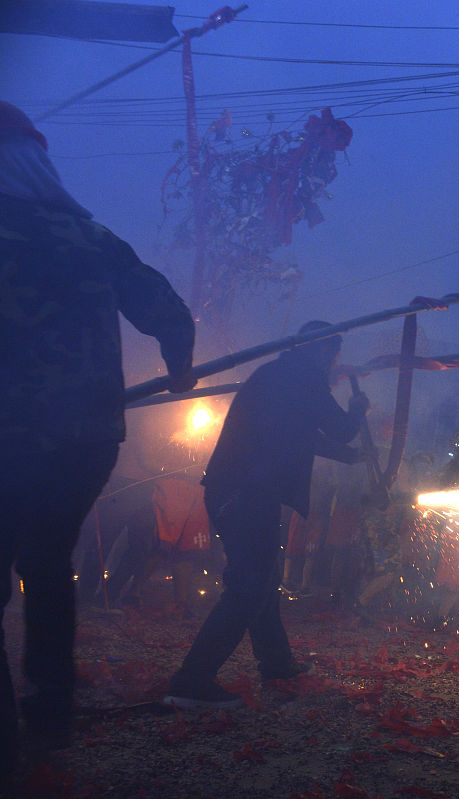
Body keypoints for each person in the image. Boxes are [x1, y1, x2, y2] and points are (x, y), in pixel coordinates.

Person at [0, 101, 195, 772]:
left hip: (9, 437)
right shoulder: (91, 237)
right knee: (50, 567)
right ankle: (50, 709)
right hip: (84, 441)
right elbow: (167, 310)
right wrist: (180, 372)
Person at [163, 321, 367, 709]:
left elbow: (297, 435)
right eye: (334, 355)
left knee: (264, 577)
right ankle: (191, 680)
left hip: (241, 490)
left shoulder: (278, 377)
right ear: (324, 351)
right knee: (250, 585)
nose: (334, 364)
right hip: (245, 493)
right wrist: (358, 409)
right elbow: (340, 428)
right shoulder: (303, 378)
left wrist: (348, 456)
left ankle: (276, 662)